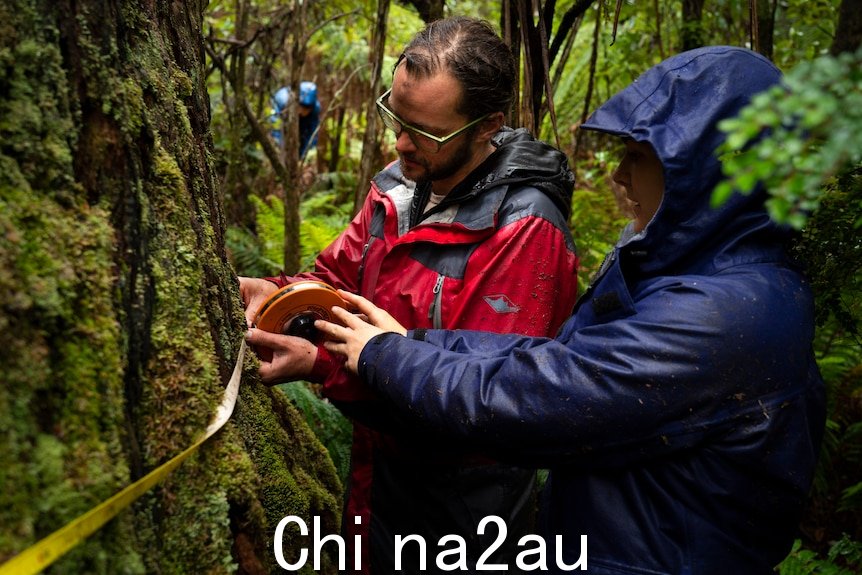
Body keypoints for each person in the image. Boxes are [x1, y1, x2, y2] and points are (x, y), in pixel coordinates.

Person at [316, 46, 827, 574]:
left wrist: (383, 357)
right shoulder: (688, 272)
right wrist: (404, 345)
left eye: (639, 158)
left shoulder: (729, 313)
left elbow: (548, 393)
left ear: (707, 172)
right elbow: (550, 357)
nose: (619, 178)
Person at [241, 16, 579, 574]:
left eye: (425, 131)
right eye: (396, 117)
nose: (400, 143)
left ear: (486, 126)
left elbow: (485, 398)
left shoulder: (524, 232)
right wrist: (280, 292)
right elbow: (337, 280)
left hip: (465, 514)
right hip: (376, 484)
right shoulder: (396, 188)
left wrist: (323, 365)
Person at [270, 80, 321, 158]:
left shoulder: (315, 109)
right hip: (285, 121)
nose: (304, 111)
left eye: (308, 109)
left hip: (301, 122)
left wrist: (305, 155)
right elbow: (276, 128)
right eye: (303, 107)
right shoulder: (283, 102)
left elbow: (312, 133)